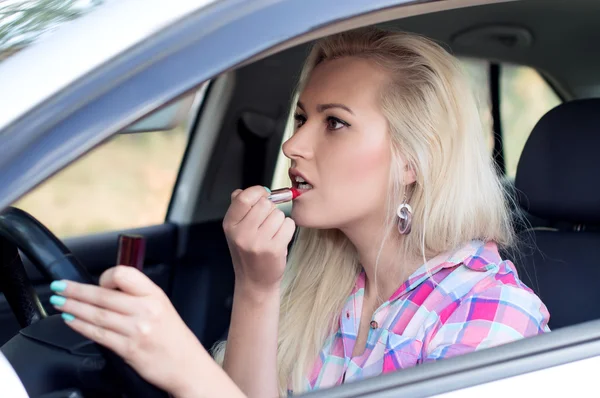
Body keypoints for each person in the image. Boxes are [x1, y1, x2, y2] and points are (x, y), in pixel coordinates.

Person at [48, 28, 550, 398]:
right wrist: (257, 286)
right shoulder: (327, 284)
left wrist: (184, 369)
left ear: (413, 159)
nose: (292, 144)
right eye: (303, 117)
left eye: (334, 123)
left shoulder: (494, 317)